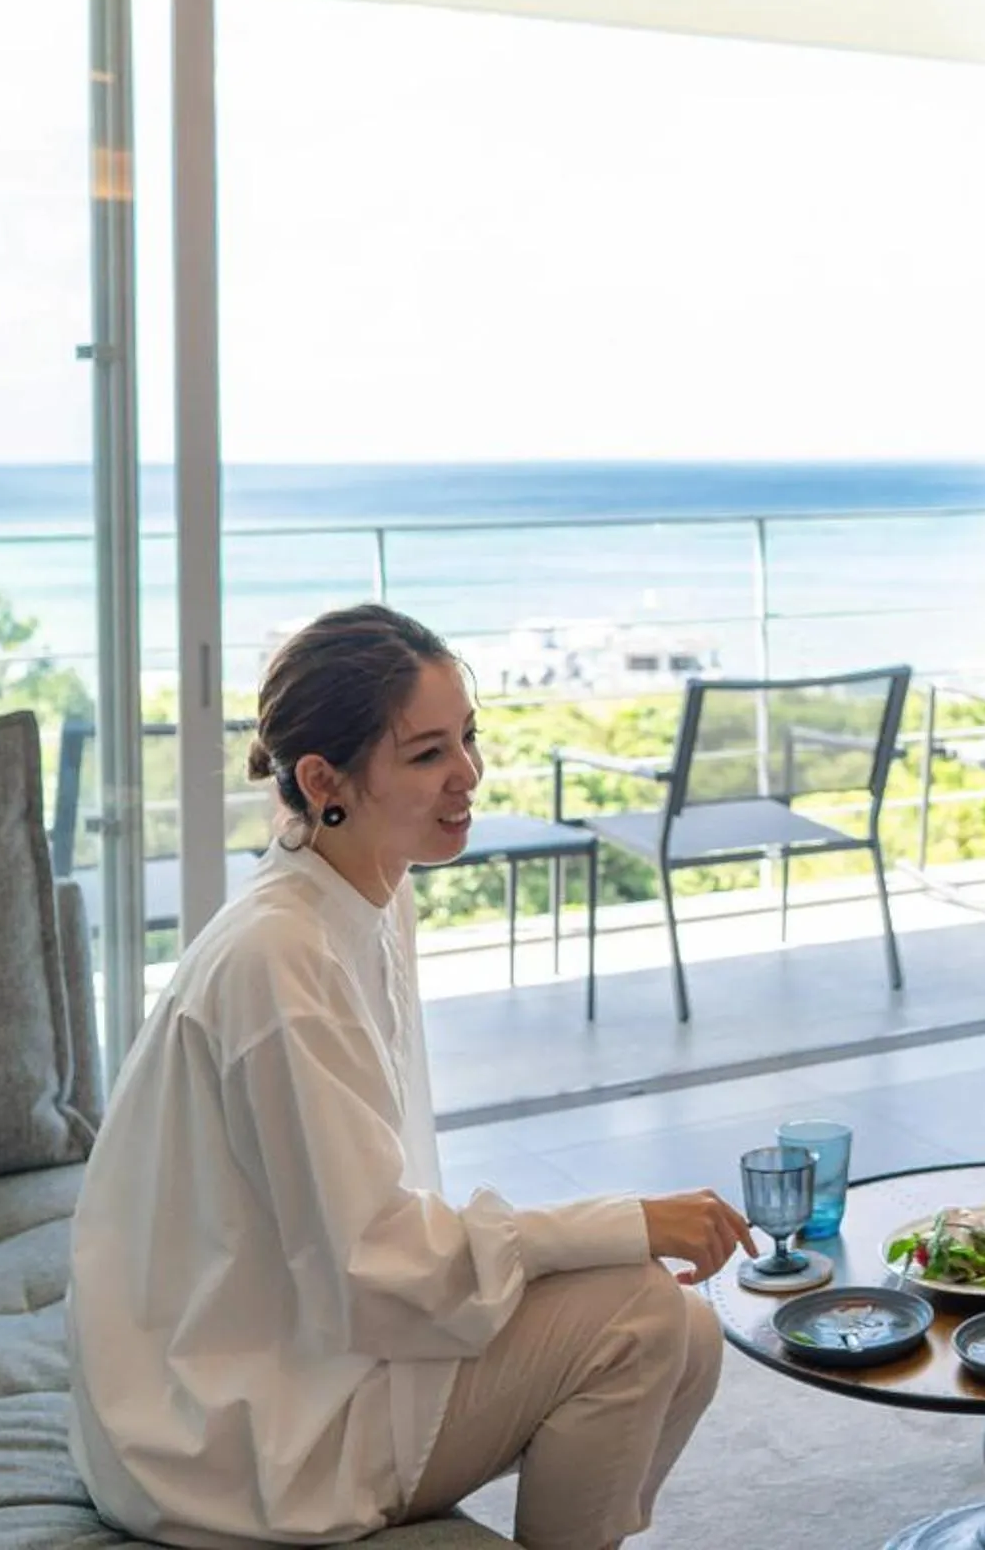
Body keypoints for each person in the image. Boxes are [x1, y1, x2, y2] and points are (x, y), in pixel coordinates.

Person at [67, 604, 753, 1549]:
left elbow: (373, 1243)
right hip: (231, 1437)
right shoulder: (279, 960)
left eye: (467, 737)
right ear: (323, 780)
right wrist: (621, 1223)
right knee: (641, 1314)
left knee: (691, 1332)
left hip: (310, 1346)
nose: (468, 773)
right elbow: (376, 1269)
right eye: (428, 753)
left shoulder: (369, 893)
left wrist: (592, 1245)